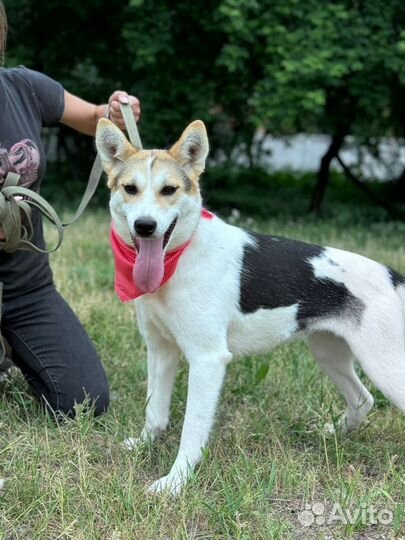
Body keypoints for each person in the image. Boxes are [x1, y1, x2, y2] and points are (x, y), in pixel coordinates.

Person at [0, 2, 140, 416]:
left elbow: (95, 118)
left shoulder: (22, 87)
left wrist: (114, 111)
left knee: (82, 401)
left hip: (25, 288)